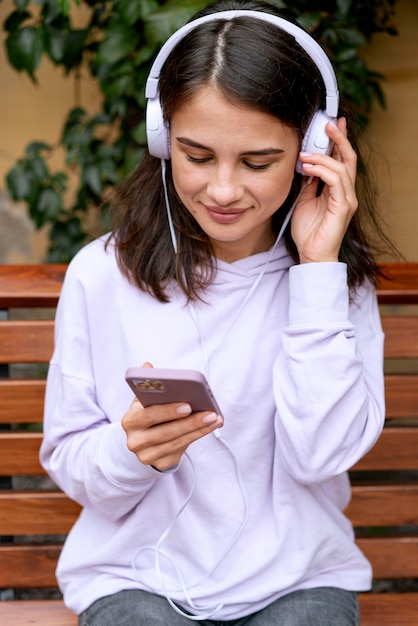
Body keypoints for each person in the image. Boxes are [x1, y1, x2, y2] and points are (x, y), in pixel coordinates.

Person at [40, 1, 391, 624]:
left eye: (258, 163)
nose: (224, 190)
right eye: (197, 156)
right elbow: (71, 464)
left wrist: (316, 274)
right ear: (161, 137)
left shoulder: (333, 284)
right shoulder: (100, 274)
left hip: (298, 581)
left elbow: (321, 457)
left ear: (314, 149)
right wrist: (131, 453)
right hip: (134, 579)